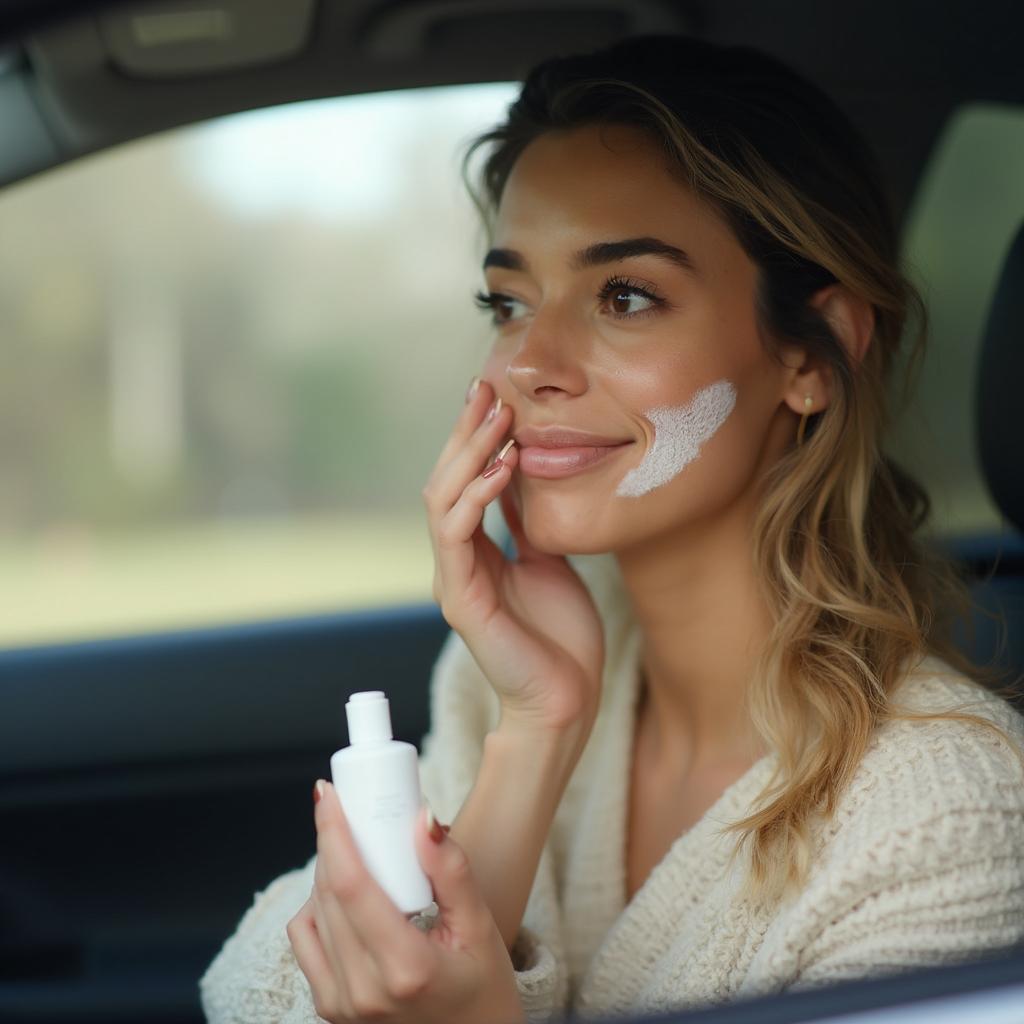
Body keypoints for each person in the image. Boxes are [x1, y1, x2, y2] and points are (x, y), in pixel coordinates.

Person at [199, 34, 1024, 1024]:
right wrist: (535, 739)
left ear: (812, 356)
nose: (527, 361)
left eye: (624, 295)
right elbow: (253, 992)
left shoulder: (949, 814)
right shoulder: (510, 680)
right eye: (506, 301)